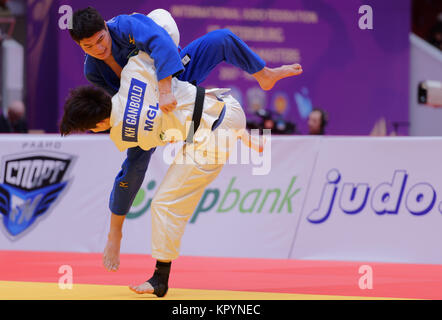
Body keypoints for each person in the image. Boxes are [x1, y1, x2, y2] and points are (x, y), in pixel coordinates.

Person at [68, 5, 303, 279]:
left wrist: (165, 89)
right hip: (146, 103)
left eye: (101, 39)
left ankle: (263, 75)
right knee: (132, 168)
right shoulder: (93, 71)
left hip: (172, 78)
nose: (98, 48)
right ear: (79, 45)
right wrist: (148, 118)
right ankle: (115, 232)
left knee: (221, 39)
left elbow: (159, 42)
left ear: (106, 28)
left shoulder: (125, 26)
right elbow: (122, 99)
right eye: (89, 46)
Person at [60, 50, 254, 297]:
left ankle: (160, 280)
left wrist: (115, 232)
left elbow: (133, 169)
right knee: (185, 108)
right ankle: (240, 132)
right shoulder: (134, 71)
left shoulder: (121, 134)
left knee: (165, 204)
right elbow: (162, 24)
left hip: (214, 135)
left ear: (97, 125)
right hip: (226, 104)